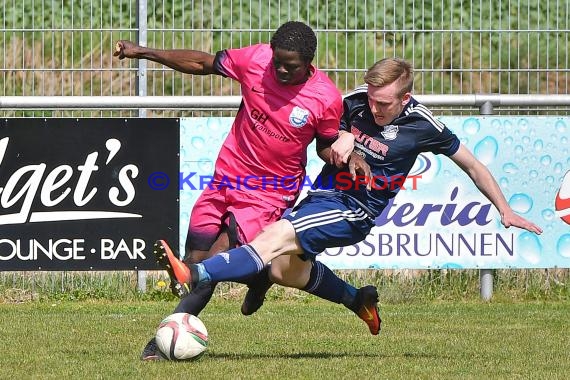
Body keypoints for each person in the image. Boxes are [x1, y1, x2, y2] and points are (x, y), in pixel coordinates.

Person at [155, 57, 543, 337]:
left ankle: (197, 272)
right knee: (282, 270)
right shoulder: (356, 101)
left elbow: (473, 165)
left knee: (272, 239)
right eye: (371, 98)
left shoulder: (424, 125)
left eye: (383, 102)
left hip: (354, 210)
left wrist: (505, 209)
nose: (373, 107)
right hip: (321, 196)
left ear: (405, 99)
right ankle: (359, 300)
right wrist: (340, 137)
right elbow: (328, 131)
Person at [114, 21, 358, 360]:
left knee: (209, 267)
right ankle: (260, 277)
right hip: (225, 178)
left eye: (293, 66)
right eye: (278, 63)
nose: (283, 71)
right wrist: (145, 52)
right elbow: (203, 63)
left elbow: (325, 145)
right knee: (193, 260)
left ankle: (162, 341)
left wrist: (347, 153)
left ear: (309, 62)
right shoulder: (255, 60)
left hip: (269, 193)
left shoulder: (325, 97)